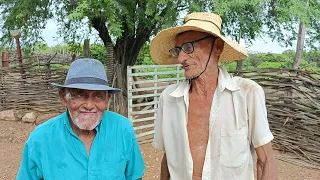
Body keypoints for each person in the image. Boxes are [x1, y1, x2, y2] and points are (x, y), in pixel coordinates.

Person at [150, 12, 277, 180]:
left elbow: (265, 160)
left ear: (217, 47)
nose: (181, 58)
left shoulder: (247, 94)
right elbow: (169, 159)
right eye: (178, 50)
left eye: (189, 47)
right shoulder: (169, 98)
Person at [16, 58, 145, 179]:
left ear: (107, 99)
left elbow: (135, 177)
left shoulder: (122, 129)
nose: (89, 105)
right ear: (63, 97)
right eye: (79, 95)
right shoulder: (40, 139)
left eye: (98, 96)